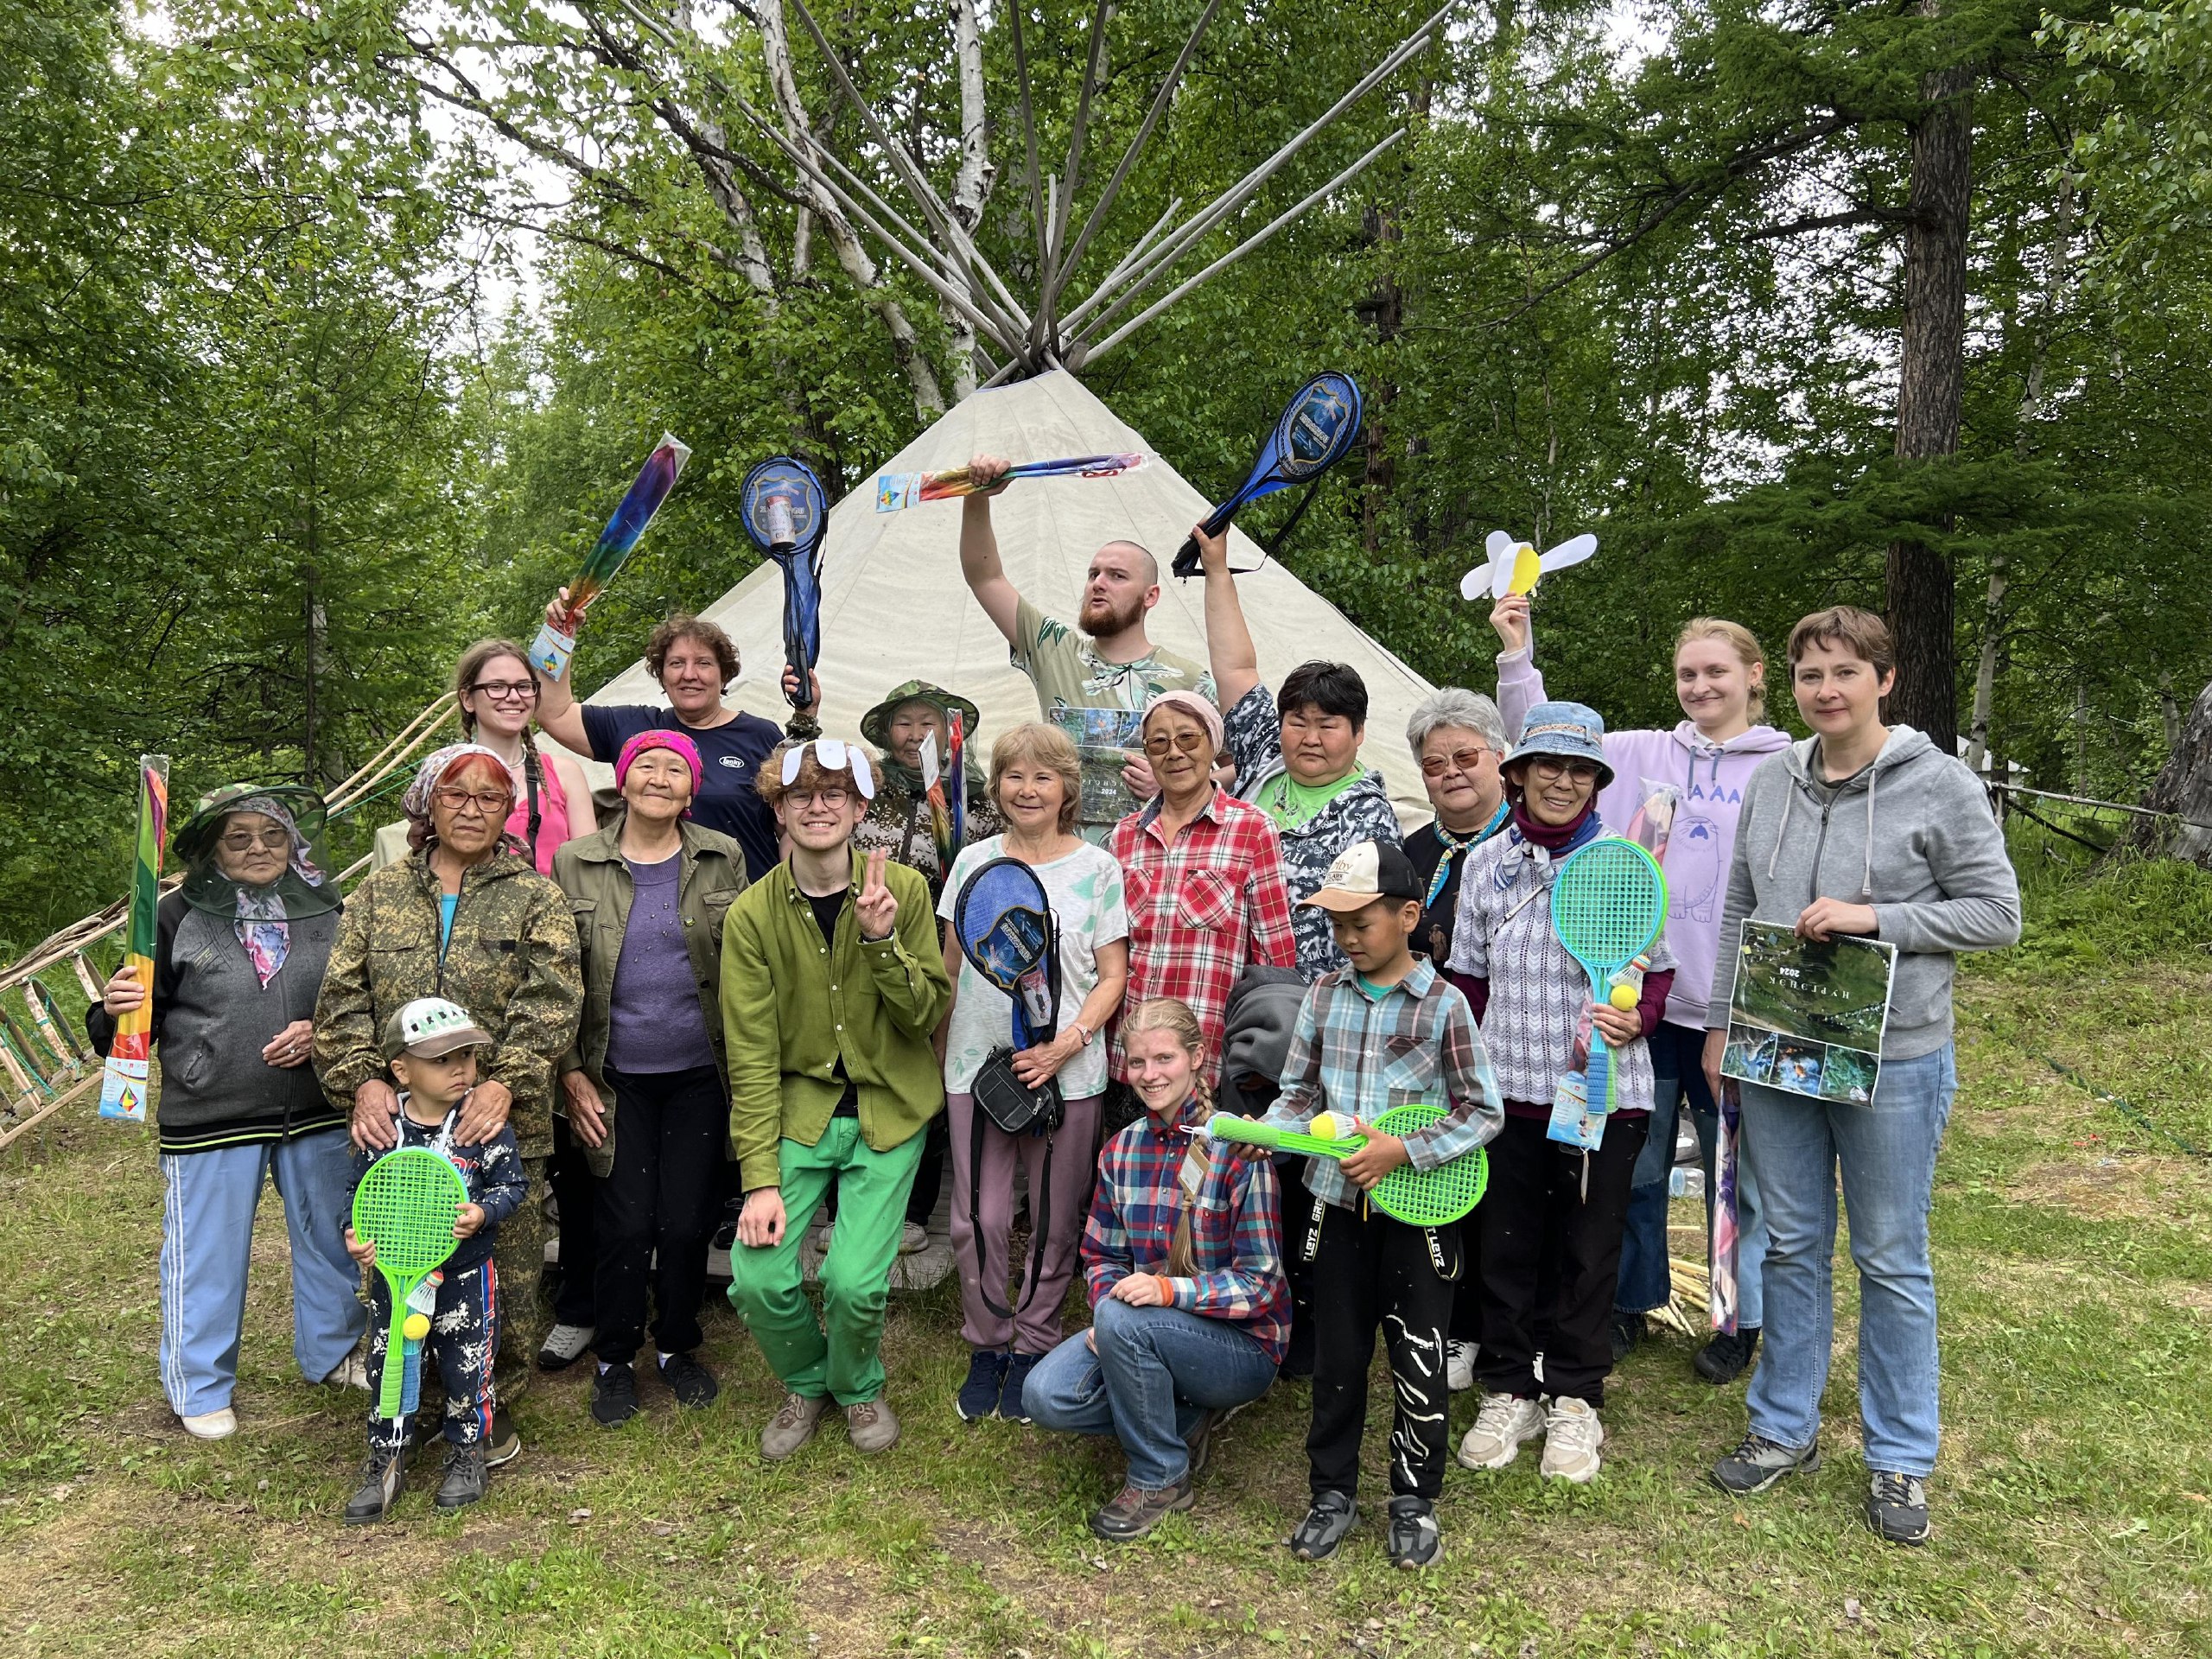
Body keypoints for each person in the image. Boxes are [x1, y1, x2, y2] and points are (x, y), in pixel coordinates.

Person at [1700, 607, 2020, 1548]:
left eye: (1844, 672)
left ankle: (1899, 1457)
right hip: (1776, 1048)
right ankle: (1783, 1428)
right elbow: (1738, 907)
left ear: (1884, 678)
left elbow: (1996, 913)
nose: (1825, 691)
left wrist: (1876, 919)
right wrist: (1723, 1022)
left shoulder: (1941, 785)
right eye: (1809, 675)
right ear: (1790, 686)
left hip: (1896, 1055)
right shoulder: (1771, 782)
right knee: (1792, 1241)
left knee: (1890, 1256)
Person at [1492, 597, 1789, 1382]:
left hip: (1735, 1007)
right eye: (1688, 673)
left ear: (1754, 678)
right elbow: (1540, 736)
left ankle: (1741, 1317)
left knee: (1738, 1174)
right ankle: (1630, 1301)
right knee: (1639, 1170)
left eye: (1716, 671)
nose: (1700, 686)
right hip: (1641, 1008)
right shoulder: (1648, 755)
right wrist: (1516, 652)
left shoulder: (1783, 767)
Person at [314, 743, 583, 1469]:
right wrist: (364, 1081)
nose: (472, 809)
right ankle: (413, 1400)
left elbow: (553, 1002)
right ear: (428, 803)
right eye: (457, 795)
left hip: (496, 1125)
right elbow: (341, 1001)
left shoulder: (536, 896)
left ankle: (486, 1406)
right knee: (403, 1267)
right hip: (399, 1133)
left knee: (501, 1277)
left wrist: (508, 1081)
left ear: (508, 812)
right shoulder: (377, 894)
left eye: (490, 798)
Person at [1249, 840, 1503, 1570]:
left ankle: (1413, 1502)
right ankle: (1330, 1494)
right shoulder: (1324, 995)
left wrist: (1404, 1150)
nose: (1349, 939)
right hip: (1333, 1212)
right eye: (1337, 926)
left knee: (1419, 1361)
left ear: (1409, 915)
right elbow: (1299, 1094)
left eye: (1363, 922)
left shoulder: (1445, 1004)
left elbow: (1482, 1112)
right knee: (1337, 1359)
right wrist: (1275, 1133)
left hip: (1419, 1221)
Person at [1446, 703, 1677, 1487]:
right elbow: (1469, 981)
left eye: (1580, 769)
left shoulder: (1624, 860)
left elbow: (1659, 973)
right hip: (1507, 1091)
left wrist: (1633, 1019)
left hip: (1604, 1098)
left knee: (1587, 1250)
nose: (1563, 781)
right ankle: (1510, 1387)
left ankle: (1576, 1397)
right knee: (1505, 1247)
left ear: (1596, 784)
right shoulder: (1485, 865)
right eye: (1548, 765)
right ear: (1516, 773)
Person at [86, 785, 361, 1440]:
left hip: (318, 1110)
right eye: (239, 837)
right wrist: (114, 1007)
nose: (259, 849)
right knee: (208, 1255)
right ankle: (201, 1385)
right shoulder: (173, 915)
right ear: (212, 848)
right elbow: (122, 1032)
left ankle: (334, 1352)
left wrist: (322, 1028)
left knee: (332, 1239)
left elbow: (360, 997)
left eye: (273, 835)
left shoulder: (328, 908)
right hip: (212, 1113)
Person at [721, 739, 953, 1459]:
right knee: (756, 1276)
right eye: (801, 797)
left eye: (834, 795)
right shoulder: (752, 916)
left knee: (854, 1282)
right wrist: (758, 1180)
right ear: (779, 811)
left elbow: (923, 1017)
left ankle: (856, 1387)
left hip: (888, 1109)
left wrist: (881, 940)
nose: (818, 808)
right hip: (800, 1112)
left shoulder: (907, 892)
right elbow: (752, 1057)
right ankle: (806, 1378)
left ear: (860, 808)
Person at [1024, 998, 1288, 1541]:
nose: (1150, 1075)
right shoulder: (1120, 1152)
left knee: (1126, 1320)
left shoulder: (1239, 1150)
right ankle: (1184, 1422)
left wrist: (1167, 1292)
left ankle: (1160, 1477)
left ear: (1196, 1058)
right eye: (1138, 1063)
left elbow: (1260, 1284)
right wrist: (1108, 1315)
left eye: (1164, 1059)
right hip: (1143, 1325)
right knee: (1045, 1395)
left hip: (1240, 1346)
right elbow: (1102, 1256)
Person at [550, 730, 748, 1427]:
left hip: (700, 1072)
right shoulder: (573, 862)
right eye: (646, 765)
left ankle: (677, 1347)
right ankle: (613, 1357)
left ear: (691, 789)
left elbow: (749, 967)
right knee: (626, 1223)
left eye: (675, 769)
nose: (659, 778)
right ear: (623, 779)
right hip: (613, 1077)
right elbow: (554, 981)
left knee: (689, 1221)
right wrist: (569, 1073)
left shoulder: (723, 856)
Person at [938, 723, 1128, 1423]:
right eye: (1014, 776)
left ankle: (1034, 1342)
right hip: (977, 1069)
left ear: (1067, 790)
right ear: (997, 788)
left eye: (1043, 777)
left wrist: (1066, 1044)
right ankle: (987, 1340)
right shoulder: (973, 863)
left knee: (1054, 1219)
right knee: (977, 1219)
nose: (1028, 789)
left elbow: (1113, 977)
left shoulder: (1097, 869)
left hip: (1068, 1075)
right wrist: (942, 1057)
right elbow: (950, 970)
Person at [956, 454, 1217, 840]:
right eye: (1093, 574)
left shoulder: (1190, 680)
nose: (1098, 583)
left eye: (1117, 576)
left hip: (1151, 870)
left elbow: (1234, 769)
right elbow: (985, 576)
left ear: (1151, 596)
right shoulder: (1053, 650)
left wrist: (1174, 782)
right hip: (1061, 867)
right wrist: (978, 496)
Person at [341, 997, 527, 1523]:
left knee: (467, 1365)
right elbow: (360, 1194)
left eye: (467, 1056)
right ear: (401, 1070)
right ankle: (388, 1453)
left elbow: (513, 1185)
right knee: (390, 1364)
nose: (462, 1069)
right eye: (443, 1060)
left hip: (468, 1278)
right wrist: (354, 1236)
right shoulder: (382, 1129)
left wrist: (484, 1212)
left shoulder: (482, 1125)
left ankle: (467, 1453)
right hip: (395, 1281)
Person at [1196, 526, 1401, 980]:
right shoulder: (1265, 759)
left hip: (1311, 1006)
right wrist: (1216, 570)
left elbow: (1377, 935)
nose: (1310, 738)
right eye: (1298, 723)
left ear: (1358, 733)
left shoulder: (1369, 818)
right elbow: (1235, 667)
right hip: (1223, 985)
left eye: (1327, 726)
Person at [855, 679, 1002, 1255]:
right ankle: (853, 1207)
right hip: (865, 946)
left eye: (928, 723)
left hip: (944, 952)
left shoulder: (980, 796)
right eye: (904, 723)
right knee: (858, 1073)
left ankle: (914, 1210)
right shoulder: (864, 787)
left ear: (950, 731)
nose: (916, 735)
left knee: (930, 1072)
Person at [1399, 688, 1513, 1393]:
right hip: (1424, 1050)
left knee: (1498, 1199)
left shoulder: (1529, 845)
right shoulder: (1413, 851)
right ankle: (1433, 1319)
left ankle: (1480, 1329)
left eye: (1466, 756)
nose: (1451, 772)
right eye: (1434, 762)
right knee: (1437, 1187)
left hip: (1510, 1049)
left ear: (1500, 757)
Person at [535, 604, 818, 882]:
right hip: (651, 909)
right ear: (662, 675)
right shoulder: (634, 727)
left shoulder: (760, 736)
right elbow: (553, 712)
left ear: (724, 674)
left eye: (703, 663)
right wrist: (557, 637)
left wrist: (796, 894)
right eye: (676, 663)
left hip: (746, 905)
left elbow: (792, 828)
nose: (689, 674)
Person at [1108, 691, 1297, 1081]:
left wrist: (1261, 1052)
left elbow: (1274, 955)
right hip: (1129, 1060)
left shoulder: (1252, 829)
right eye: (1158, 742)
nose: (1173, 753)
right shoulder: (1124, 836)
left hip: (1206, 1059)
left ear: (1212, 744)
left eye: (1188, 739)